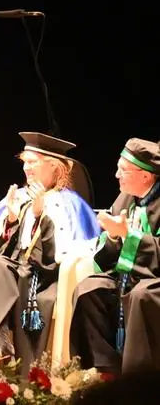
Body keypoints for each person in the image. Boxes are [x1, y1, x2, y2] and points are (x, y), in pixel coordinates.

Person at [0, 132, 100, 372]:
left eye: (33, 162)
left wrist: (41, 215)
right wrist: (10, 219)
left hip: (44, 277)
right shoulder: (18, 197)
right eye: (25, 162)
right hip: (13, 270)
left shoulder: (71, 204)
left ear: (54, 166)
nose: (26, 168)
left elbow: (60, 257)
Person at [69, 138, 160, 375]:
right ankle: (105, 370)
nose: (116, 175)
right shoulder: (124, 198)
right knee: (90, 289)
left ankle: (139, 376)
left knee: (141, 295)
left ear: (145, 176)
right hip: (129, 276)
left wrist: (130, 237)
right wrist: (113, 237)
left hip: (154, 280)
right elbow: (108, 252)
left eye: (123, 170)